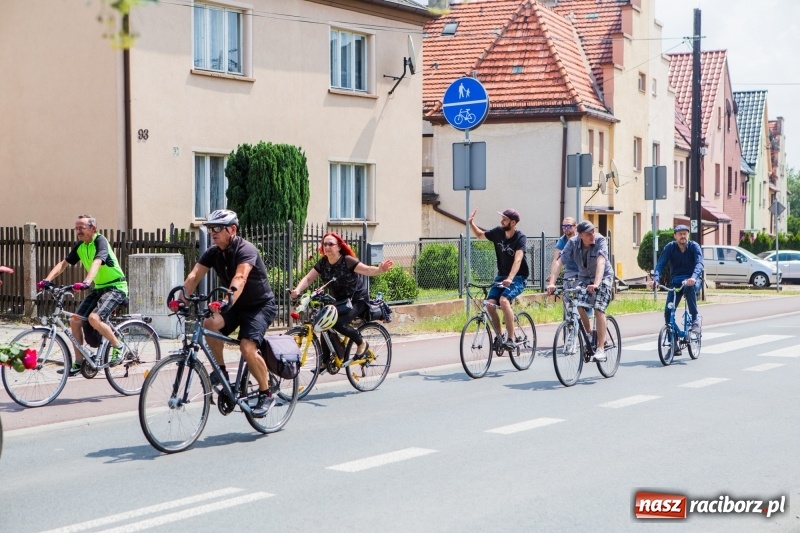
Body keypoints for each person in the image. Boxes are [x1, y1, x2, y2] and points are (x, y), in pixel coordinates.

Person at [181, 209, 278, 418]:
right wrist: (180, 298)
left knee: (247, 347)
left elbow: (240, 278)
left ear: (232, 229)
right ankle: (222, 371)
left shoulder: (246, 249)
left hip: (259, 306)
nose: (213, 233)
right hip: (235, 306)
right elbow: (194, 276)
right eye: (210, 229)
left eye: (217, 228)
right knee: (209, 323)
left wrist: (227, 300)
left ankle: (266, 392)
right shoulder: (214, 252)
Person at [37, 215, 129, 376]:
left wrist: (86, 282)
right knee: (74, 320)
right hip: (99, 287)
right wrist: (47, 280)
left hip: (116, 286)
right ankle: (79, 362)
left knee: (94, 318)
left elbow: (97, 261)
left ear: (93, 228)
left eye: (82, 228)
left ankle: (118, 345)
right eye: (76, 228)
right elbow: (63, 264)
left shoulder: (100, 241)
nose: (78, 231)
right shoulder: (81, 245)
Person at [290, 232, 393, 366]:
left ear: (339, 247)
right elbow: (309, 278)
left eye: (331, 244)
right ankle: (326, 361)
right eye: (324, 244)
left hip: (358, 299)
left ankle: (361, 343)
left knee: (338, 323)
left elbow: (367, 270)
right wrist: (297, 290)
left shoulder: (347, 260)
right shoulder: (323, 263)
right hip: (341, 301)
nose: (327, 247)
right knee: (323, 323)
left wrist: (380, 270)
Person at [546, 220, 614, 362]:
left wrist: (596, 283)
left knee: (598, 308)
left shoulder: (600, 240)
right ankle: (589, 333)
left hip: (603, 277)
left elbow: (601, 262)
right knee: (578, 303)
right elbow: (559, 261)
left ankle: (601, 349)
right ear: (581, 235)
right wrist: (552, 283)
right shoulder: (572, 243)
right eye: (588, 234)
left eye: (592, 232)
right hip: (584, 277)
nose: (592, 236)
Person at [468, 208, 529, 351]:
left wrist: (510, 278)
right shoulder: (498, 232)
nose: (502, 221)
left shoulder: (520, 238)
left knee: (503, 300)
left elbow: (518, 259)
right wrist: (471, 223)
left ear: (513, 222)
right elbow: (479, 235)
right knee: (489, 305)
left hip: (518, 277)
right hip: (501, 276)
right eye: (502, 218)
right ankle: (500, 336)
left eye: (505, 219)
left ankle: (511, 339)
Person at [647, 224, 704, 334]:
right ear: (675, 236)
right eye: (680, 234)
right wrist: (656, 279)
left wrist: (693, 277)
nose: (683, 236)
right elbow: (660, 264)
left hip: (693, 280)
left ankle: (694, 320)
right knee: (668, 312)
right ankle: (673, 341)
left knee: (689, 287)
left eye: (685, 234)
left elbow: (699, 263)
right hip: (676, 282)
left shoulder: (694, 246)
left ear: (688, 235)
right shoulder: (670, 247)